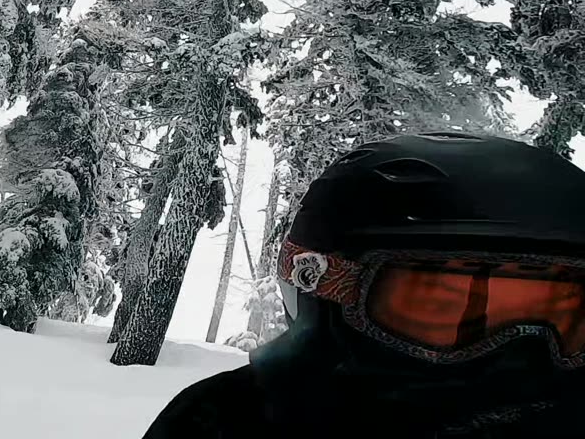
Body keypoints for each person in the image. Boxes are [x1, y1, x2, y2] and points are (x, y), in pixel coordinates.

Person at [142, 131, 585, 438]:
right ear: (324, 288)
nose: (518, 352)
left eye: (565, 313)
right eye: (452, 307)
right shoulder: (228, 424)